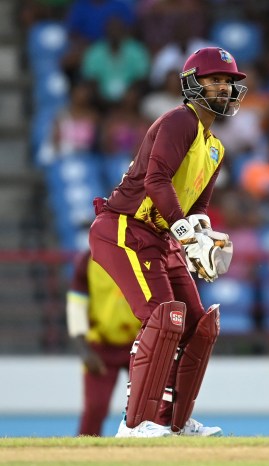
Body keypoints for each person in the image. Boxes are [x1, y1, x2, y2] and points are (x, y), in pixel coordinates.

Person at [88, 46, 246, 437]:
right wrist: (183, 230)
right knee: (164, 317)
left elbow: (201, 207)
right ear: (193, 84)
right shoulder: (180, 121)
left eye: (228, 82)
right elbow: (155, 182)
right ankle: (135, 422)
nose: (224, 89)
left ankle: (172, 421)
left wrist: (202, 239)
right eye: (215, 81)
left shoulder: (216, 147)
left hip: (160, 236)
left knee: (198, 325)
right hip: (125, 227)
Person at [66, 250, 141, 436]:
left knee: (147, 411)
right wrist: (84, 352)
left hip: (141, 344)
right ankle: (83, 456)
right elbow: (76, 305)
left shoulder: (143, 253)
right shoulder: (87, 261)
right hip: (100, 346)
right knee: (95, 408)